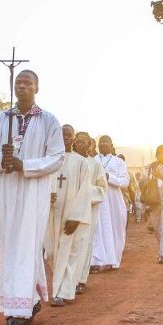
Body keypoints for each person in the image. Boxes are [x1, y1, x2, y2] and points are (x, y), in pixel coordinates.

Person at [0, 69, 65, 325]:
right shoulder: (1, 120)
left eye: (27, 83)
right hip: (7, 190)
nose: (22, 86)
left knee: (27, 245)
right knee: (12, 246)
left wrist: (24, 165)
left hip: (34, 191)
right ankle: (29, 299)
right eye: (18, 82)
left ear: (37, 87)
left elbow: (57, 157)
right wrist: (2, 161)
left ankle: (14, 314)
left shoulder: (49, 121)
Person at [44, 125, 92, 307]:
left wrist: (76, 217)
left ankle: (62, 292)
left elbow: (85, 192)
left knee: (69, 253)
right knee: (50, 252)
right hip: (50, 213)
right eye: (61, 134)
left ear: (73, 138)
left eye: (68, 135)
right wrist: (46, 196)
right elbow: (41, 182)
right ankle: (60, 288)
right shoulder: (49, 160)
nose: (65, 138)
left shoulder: (80, 162)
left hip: (71, 215)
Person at [72, 132, 107, 295]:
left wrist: (83, 193)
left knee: (84, 244)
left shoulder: (96, 165)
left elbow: (102, 189)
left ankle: (80, 279)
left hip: (88, 210)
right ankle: (67, 278)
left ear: (90, 145)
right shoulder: (66, 161)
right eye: (78, 141)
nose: (81, 144)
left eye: (84, 142)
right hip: (68, 210)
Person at [91, 135, 130, 272]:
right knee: (97, 230)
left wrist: (109, 178)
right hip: (98, 199)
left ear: (111, 145)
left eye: (106, 142)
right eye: (101, 142)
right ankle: (96, 261)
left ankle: (114, 260)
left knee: (116, 230)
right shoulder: (93, 160)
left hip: (114, 200)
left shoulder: (119, 162)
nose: (103, 144)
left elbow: (125, 182)